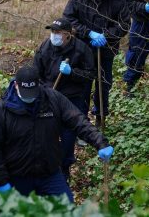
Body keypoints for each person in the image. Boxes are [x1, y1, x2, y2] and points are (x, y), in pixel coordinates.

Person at [0, 65, 114, 203]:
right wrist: (1, 181)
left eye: (33, 92)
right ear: (16, 85)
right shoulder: (1, 111)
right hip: (17, 176)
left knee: (66, 206)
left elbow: (77, 120)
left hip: (49, 173)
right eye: (25, 92)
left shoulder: (52, 99)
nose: (30, 97)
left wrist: (100, 142)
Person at [63, 0, 130, 126]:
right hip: (83, 49)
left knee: (103, 85)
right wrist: (88, 33)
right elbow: (68, 18)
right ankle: (82, 122)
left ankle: (101, 117)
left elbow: (124, 24)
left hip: (106, 50)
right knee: (83, 85)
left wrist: (106, 36)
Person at [33, 17, 96, 179]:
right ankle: (47, 165)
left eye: (58, 32)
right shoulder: (45, 47)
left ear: (68, 34)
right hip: (49, 95)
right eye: (52, 31)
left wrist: (72, 72)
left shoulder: (82, 50)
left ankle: (65, 168)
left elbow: (90, 75)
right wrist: (42, 91)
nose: (54, 35)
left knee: (68, 135)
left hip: (72, 99)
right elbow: (36, 72)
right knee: (47, 132)